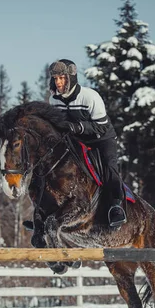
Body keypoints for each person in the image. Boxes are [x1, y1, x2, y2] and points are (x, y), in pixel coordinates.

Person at [48, 59, 126, 228]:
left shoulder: (90, 96)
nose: (58, 82)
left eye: (62, 78)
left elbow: (102, 126)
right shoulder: (54, 100)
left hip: (101, 138)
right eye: (55, 79)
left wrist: (77, 127)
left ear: (71, 78)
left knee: (109, 166)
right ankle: (46, 211)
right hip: (76, 141)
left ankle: (115, 206)